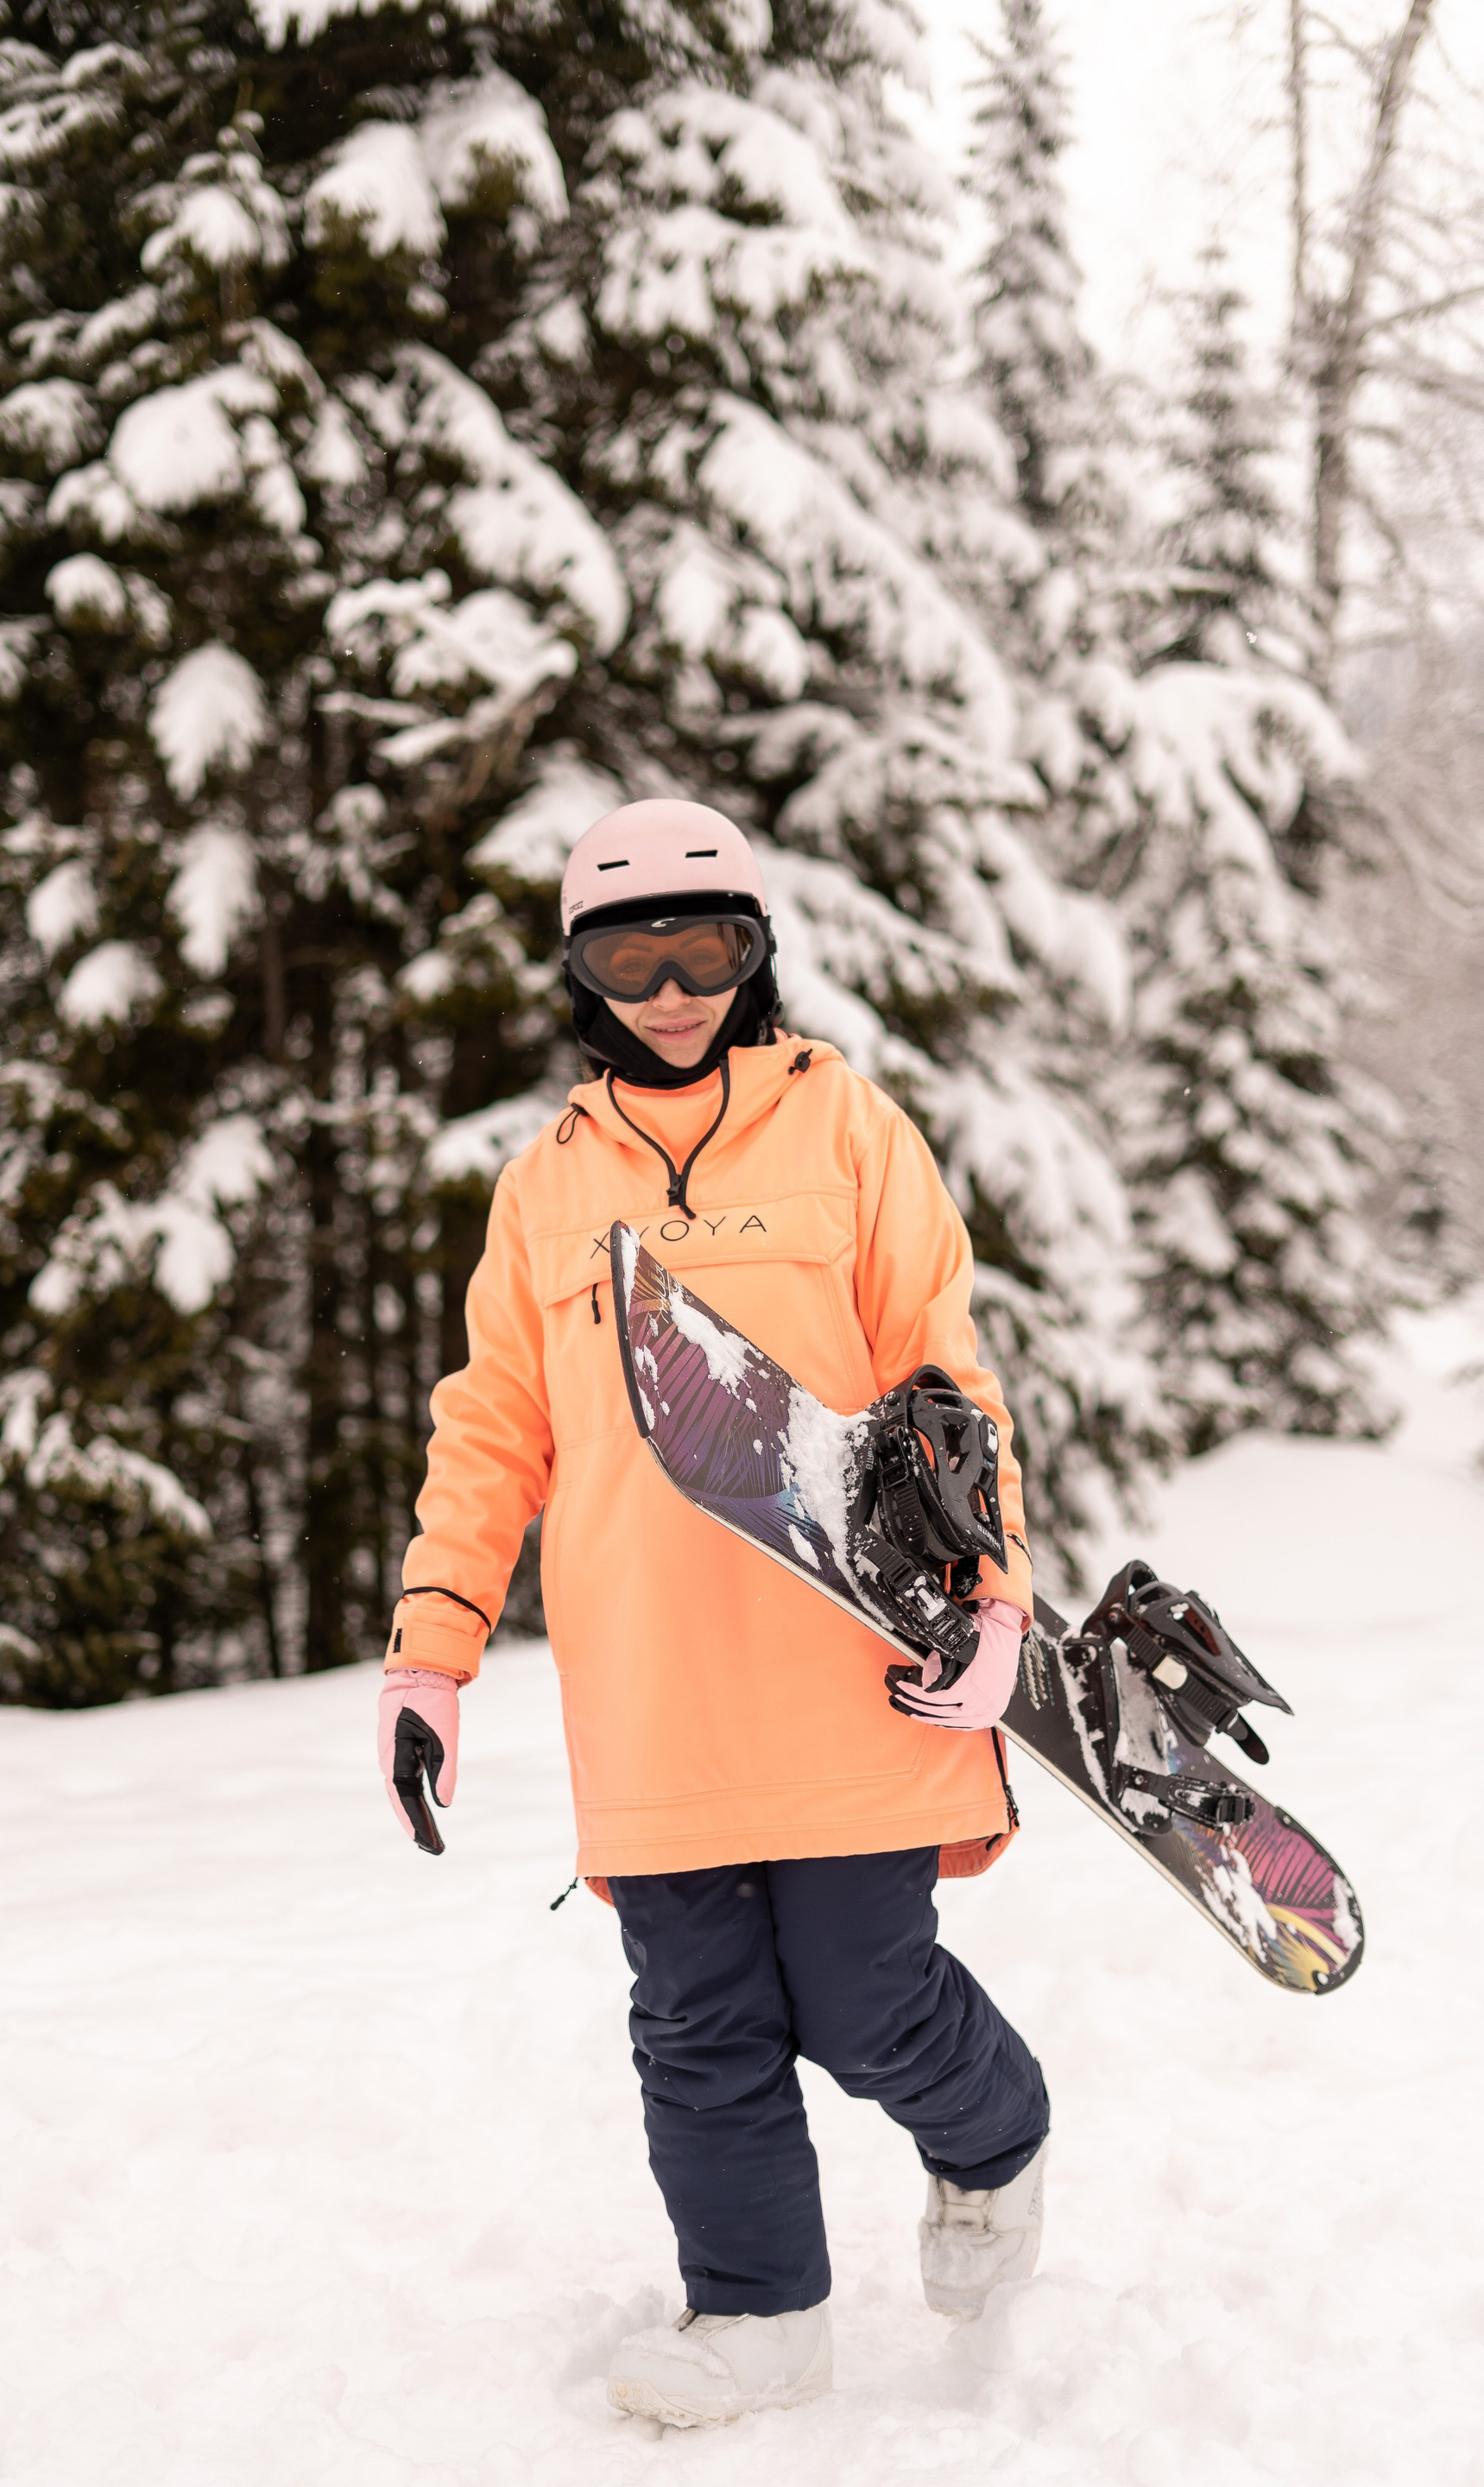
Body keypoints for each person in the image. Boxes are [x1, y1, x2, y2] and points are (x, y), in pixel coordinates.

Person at [377, 800, 1049, 2427]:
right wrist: (431, 1657)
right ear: (580, 974)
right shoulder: (544, 1189)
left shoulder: (847, 1129)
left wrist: (995, 1594)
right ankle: (757, 2314)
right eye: (632, 959)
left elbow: (945, 1379)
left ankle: (996, 2141)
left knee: (865, 1997)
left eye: (707, 950)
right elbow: (491, 1434)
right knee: (697, 2020)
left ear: (757, 954)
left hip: (854, 1664)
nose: (672, 991)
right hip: (650, 1685)